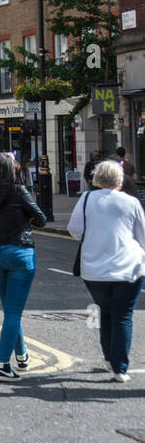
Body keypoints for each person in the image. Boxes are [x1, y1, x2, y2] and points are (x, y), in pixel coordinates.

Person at [68, 160, 145, 383]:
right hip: (128, 268)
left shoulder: (86, 199)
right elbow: (142, 237)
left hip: (94, 270)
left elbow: (74, 231)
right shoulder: (131, 202)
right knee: (123, 315)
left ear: (97, 178)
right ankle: (120, 368)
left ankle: (109, 358)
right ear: (120, 179)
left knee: (106, 312)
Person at [0, 153, 45, 379]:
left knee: (11, 310)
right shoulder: (18, 190)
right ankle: (2, 365)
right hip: (19, 253)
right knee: (13, 312)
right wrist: (24, 219)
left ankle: (21, 356)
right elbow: (41, 218)